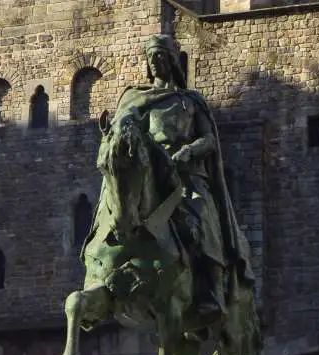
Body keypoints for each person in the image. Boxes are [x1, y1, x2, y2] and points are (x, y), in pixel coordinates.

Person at [108, 34, 255, 332]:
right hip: (151, 172)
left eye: (161, 56)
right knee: (117, 200)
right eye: (152, 57)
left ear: (173, 61)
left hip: (187, 176)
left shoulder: (190, 102)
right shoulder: (136, 98)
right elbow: (122, 128)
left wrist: (189, 151)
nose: (156, 62)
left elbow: (210, 138)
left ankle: (211, 291)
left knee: (200, 215)